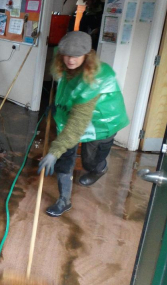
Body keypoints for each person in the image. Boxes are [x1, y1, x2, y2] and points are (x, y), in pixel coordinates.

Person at [38, 31, 128, 217]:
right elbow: (66, 89)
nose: (70, 60)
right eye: (67, 55)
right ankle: (64, 200)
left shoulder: (95, 79)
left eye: (76, 56)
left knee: (89, 161)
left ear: (87, 55)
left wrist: (53, 151)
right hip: (72, 117)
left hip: (102, 124)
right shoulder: (64, 64)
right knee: (65, 156)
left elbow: (78, 125)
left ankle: (99, 168)